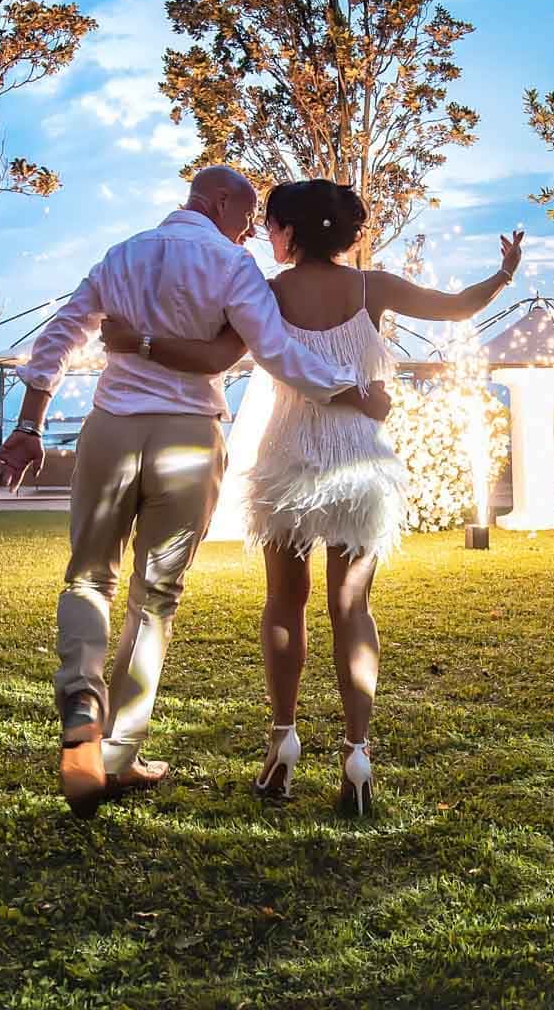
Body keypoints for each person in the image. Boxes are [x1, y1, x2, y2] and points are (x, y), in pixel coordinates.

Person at [102, 179, 523, 817]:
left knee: (284, 603)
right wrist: (503, 274)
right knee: (352, 607)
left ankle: (282, 746)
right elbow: (458, 307)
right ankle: (357, 754)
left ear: (294, 230)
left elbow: (215, 354)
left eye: (272, 225)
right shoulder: (371, 288)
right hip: (359, 459)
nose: (266, 235)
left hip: (289, 460)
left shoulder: (266, 294)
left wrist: (140, 343)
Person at [0, 167, 391, 819]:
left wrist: (30, 426)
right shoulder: (232, 267)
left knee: (88, 581)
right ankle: (117, 751)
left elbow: (58, 335)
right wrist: (353, 392)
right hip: (188, 437)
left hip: (109, 427)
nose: (254, 229)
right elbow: (279, 353)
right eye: (248, 213)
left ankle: (82, 705)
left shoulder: (121, 256)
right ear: (219, 201)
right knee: (156, 595)